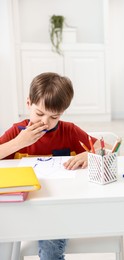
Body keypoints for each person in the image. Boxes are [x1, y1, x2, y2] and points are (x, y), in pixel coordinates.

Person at [0, 72, 100, 260]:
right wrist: (19, 142)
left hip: (57, 208)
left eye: (54, 117)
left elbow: (109, 148)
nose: (45, 122)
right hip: (23, 208)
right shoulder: (17, 131)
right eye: (39, 114)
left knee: (51, 252)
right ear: (29, 104)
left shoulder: (68, 131)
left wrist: (89, 153)